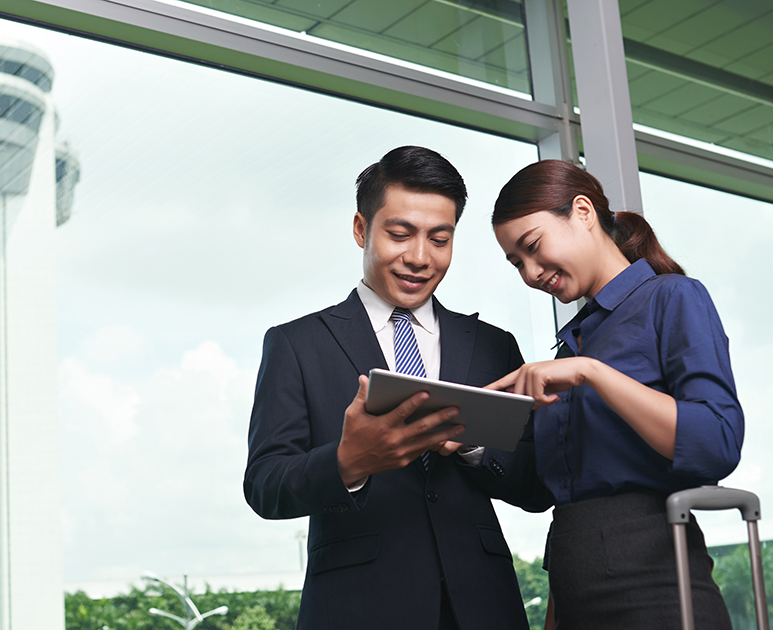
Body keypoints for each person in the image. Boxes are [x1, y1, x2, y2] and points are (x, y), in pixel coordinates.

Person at [243, 146, 551, 630]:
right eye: (400, 234)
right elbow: (264, 486)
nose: (420, 258)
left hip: (483, 606)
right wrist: (350, 461)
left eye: (440, 238)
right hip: (358, 608)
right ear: (362, 229)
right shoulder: (296, 344)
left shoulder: (494, 346)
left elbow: (538, 487)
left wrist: (473, 445)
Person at [487, 159, 743, 629]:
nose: (529, 272)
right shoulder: (574, 341)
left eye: (533, 247)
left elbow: (716, 442)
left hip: (655, 583)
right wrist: (469, 436)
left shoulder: (673, 298)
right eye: (516, 262)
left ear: (583, 212)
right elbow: (546, 487)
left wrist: (592, 373)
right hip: (571, 582)